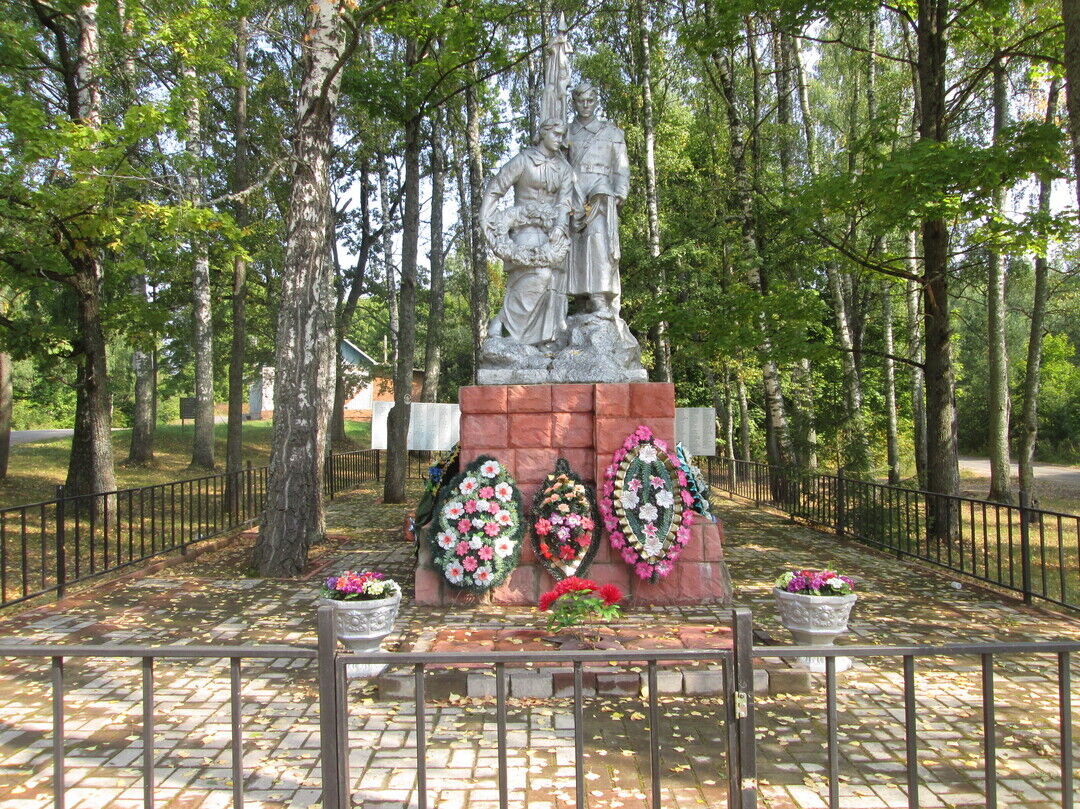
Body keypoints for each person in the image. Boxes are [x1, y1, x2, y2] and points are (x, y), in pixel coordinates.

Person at [480, 118, 575, 347]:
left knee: (551, 286)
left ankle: (542, 341)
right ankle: (509, 329)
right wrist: (488, 221)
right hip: (524, 230)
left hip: (551, 233)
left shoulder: (564, 169)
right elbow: (496, 187)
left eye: (562, 135)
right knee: (533, 279)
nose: (559, 140)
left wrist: (560, 227)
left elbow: (564, 203)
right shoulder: (524, 160)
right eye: (556, 134)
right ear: (543, 133)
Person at [565, 81, 631, 320]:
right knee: (574, 246)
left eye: (590, 100)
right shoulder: (567, 132)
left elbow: (621, 169)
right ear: (574, 102)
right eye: (580, 101)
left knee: (599, 243)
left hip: (601, 192)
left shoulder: (611, 132)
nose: (585, 105)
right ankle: (580, 299)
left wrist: (620, 194)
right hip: (574, 192)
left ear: (596, 101)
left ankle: (600, 297)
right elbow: (558, 161)